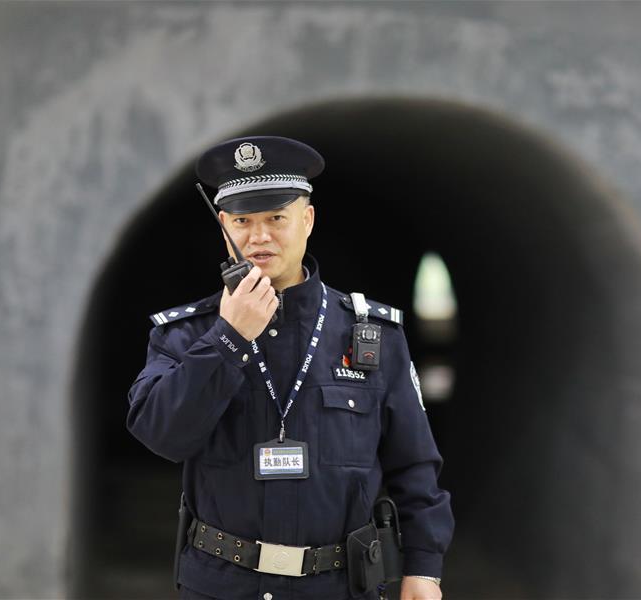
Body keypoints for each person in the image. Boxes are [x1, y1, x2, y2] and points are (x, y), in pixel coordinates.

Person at [127, 136, 453, 600]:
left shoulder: (372, 333)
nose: (259, 237)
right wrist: (229, 338)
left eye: (276, 218)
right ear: (224, 227)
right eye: (243, 221)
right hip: (222, 585)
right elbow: (162, 435)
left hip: (338, 585)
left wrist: (424, 567)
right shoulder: (185, 334)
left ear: (307, 220)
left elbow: (413, 463)